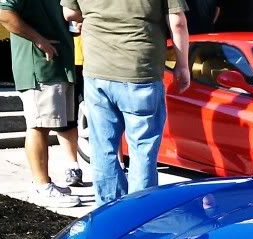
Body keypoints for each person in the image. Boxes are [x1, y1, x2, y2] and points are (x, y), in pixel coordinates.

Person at [61, 0, 190, 206]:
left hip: (97, 71)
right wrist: (182, 66)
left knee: (103, 148)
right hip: (140, 70)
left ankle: (109, 212)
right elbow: (178, 22)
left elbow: (69, 13)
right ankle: (137, 214)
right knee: (142, 150)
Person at [0, 0, 83, 207]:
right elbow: (1, 11)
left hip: (57, 67)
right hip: (40, 68)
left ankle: (43, 182)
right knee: (39, 126)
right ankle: (41, 186)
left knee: (46, 125)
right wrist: (39, 40)